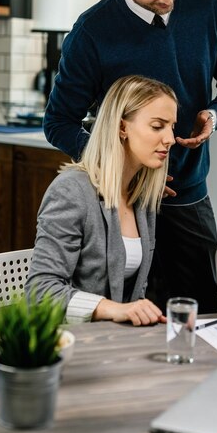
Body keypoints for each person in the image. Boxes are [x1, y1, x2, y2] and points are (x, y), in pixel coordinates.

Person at [43, 0, 217, 313]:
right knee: (132, 315)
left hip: (189, 196)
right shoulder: (92, 32)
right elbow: (58, 124)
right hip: (124, 204)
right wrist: (122, 166)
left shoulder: (209, 2)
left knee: (204, 315)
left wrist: (215, 113)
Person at [26, 75, 177, 326]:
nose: (170, 138)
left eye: (172, 126)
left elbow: (135, 293)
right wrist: (115, 310)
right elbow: (40, 293)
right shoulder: (71, 191)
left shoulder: (142, 197)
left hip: (115, 342)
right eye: (157, 126)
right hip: (70, 342)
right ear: (122, 127)